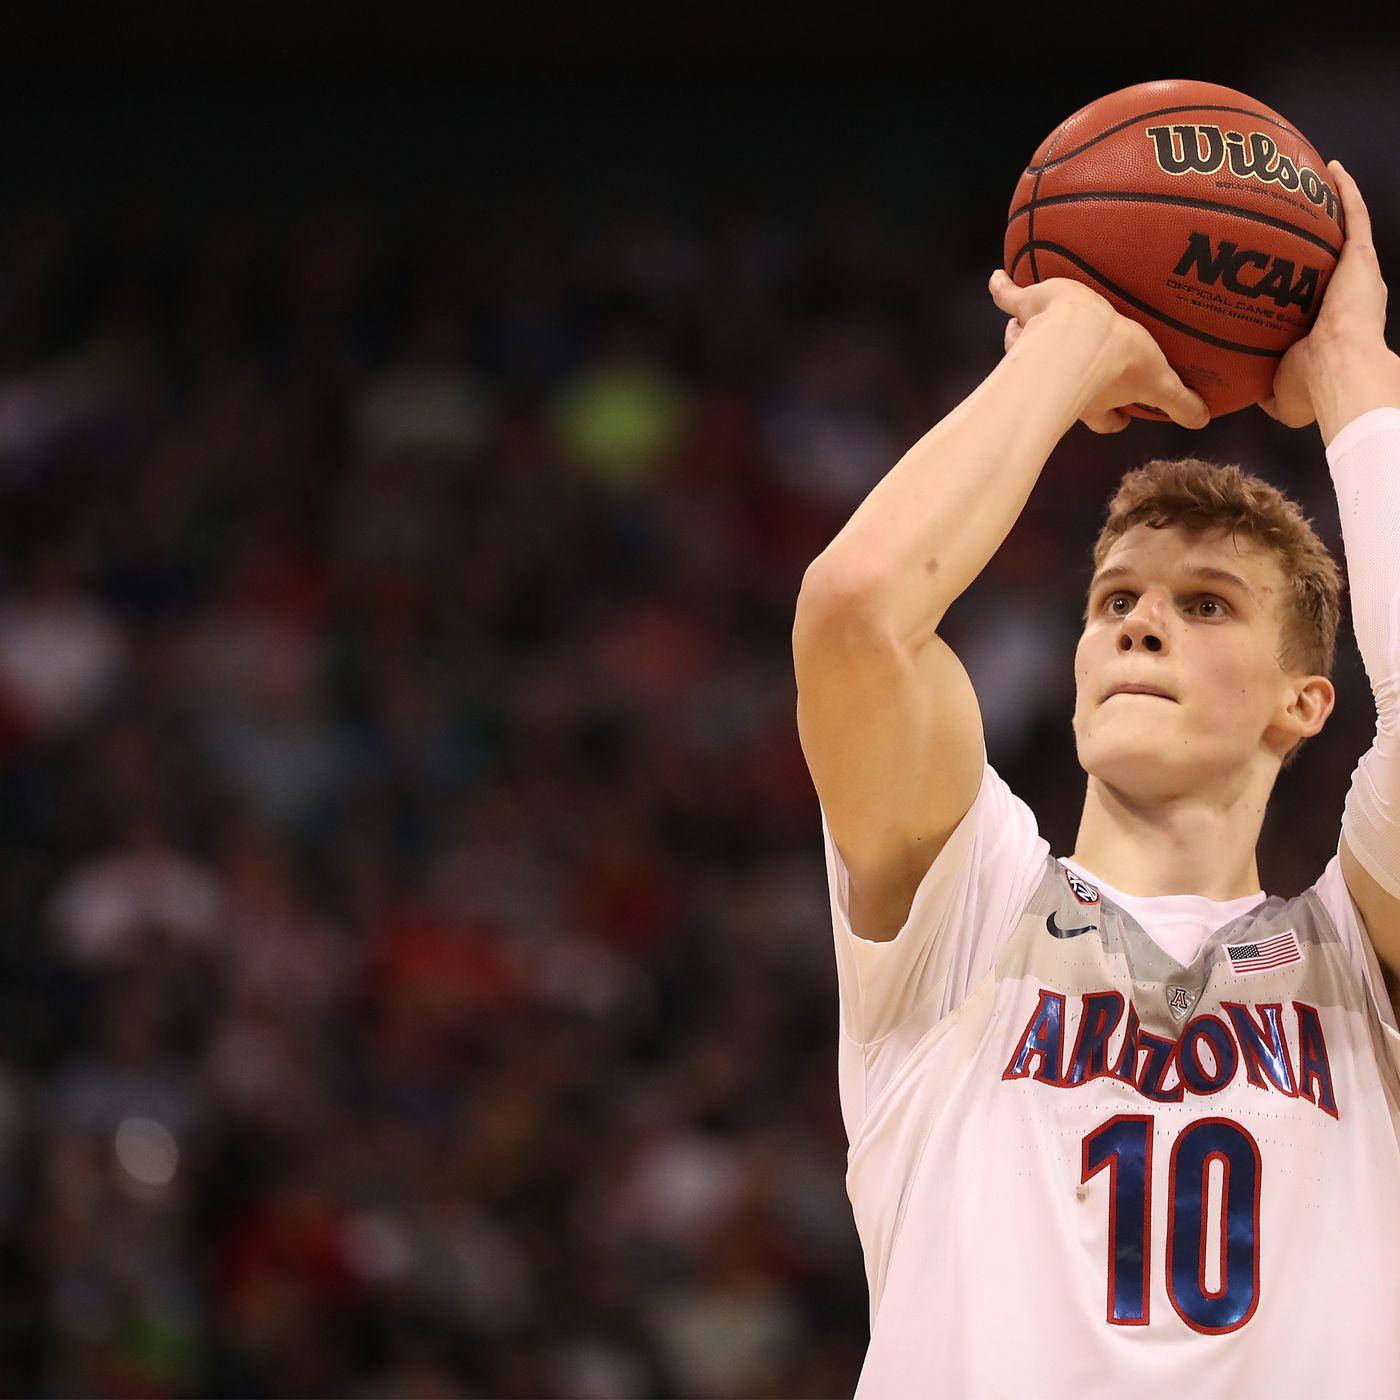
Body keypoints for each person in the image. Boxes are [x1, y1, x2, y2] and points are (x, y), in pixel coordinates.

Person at [792, 159, 1400, 1397]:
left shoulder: (1359, 959)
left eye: (1203, 603)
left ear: (1303, 701)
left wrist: (1354, 383)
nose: (1137, 624)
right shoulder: (966, 906)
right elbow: (857, 612)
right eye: (1113, 599)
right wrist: (1061, 349)